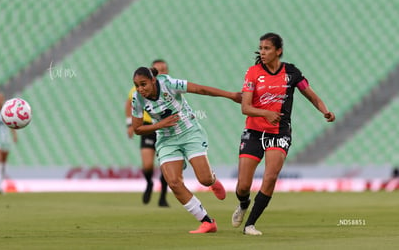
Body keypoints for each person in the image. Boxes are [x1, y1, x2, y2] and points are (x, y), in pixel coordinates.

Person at [232, 32, 336, 235]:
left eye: (267, 48)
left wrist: (325, 110)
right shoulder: (253, 72)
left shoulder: (291, 73)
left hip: (279, 133)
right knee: (243, 185)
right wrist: (265, 113)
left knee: (270, 177)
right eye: (261, 48)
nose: (262, 52)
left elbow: (311, 95)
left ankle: (250, 225)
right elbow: (245, 107)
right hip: (254, 131)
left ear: (278, 51)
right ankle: (244, 204)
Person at [131, 66, 241, 233]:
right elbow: (137, 129)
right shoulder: (137, 99)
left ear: (153, 80)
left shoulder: (168, 83)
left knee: (203, 179)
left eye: (143, 84)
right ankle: (207, 222)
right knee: (174, 182)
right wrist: (160, 125)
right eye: (137, 85)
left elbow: (200, 89)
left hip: (190, 133)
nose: (140, 89)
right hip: (166, 139)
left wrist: (231, 95)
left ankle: (212, 181)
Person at [125, 59, 170, 207]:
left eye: (164, 69)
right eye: (158, 69)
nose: (162, 72)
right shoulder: (140, 88)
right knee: (148, 165)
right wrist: (130, 124)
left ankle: (163, 197)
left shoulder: (168, 87)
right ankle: (149, 182)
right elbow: (129, 102)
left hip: (166, 128)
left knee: (166, 165)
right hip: (148, 127)